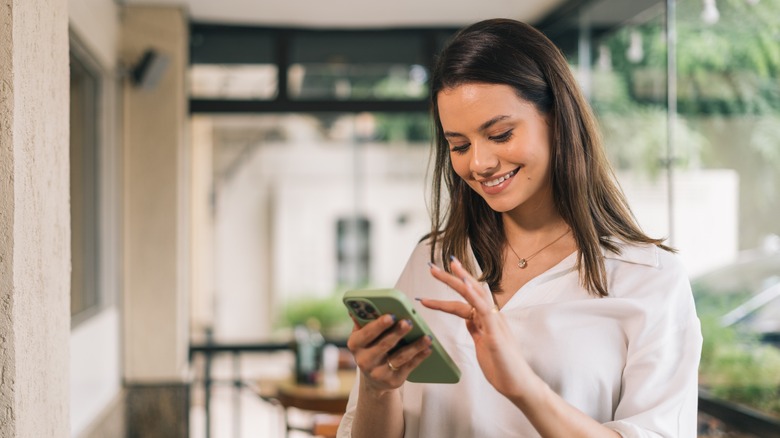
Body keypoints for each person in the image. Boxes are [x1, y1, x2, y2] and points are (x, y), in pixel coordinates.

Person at [337, 18, 702, 438]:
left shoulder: (648, 279)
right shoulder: (434, 261)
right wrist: (378, 388)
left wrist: (524, 387)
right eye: (459, 145)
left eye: (500, 134)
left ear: (557, 119)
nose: (479, 163)